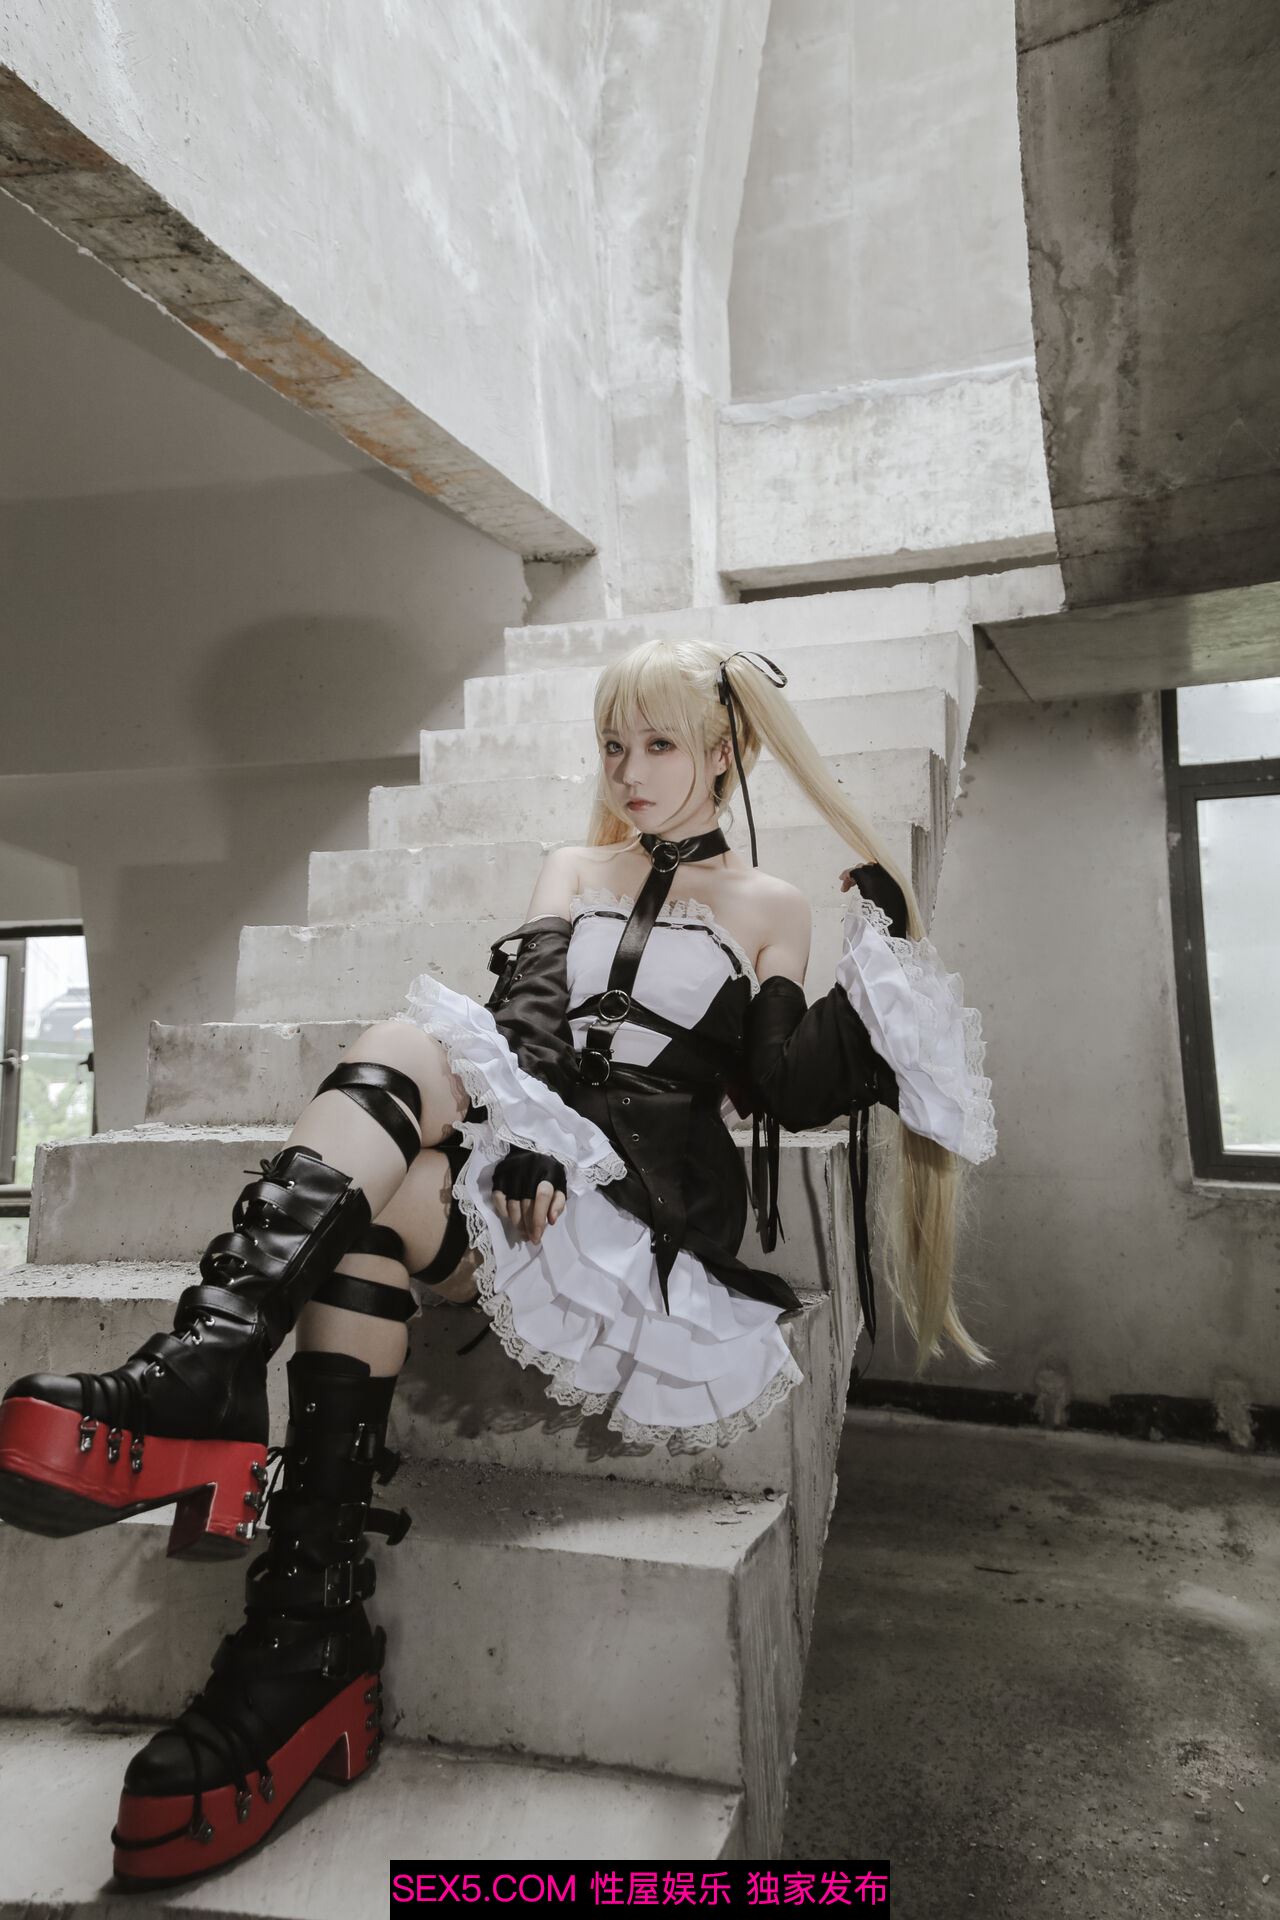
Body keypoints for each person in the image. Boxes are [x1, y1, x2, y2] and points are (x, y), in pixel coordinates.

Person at [0, 638, 996, 1883]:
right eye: (613, 746)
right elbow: (524, 1016)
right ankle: (297, 1607)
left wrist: (882, 947)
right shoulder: (571, 868)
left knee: (390, 1111)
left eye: (659, 745)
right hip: (524, 1178)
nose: (629, 772)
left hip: (636, 1219)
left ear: (725, 752)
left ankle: (218, 1399)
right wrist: (522, 1133)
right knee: (395, 1123)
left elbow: (786, 1085)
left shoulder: (770, 909)